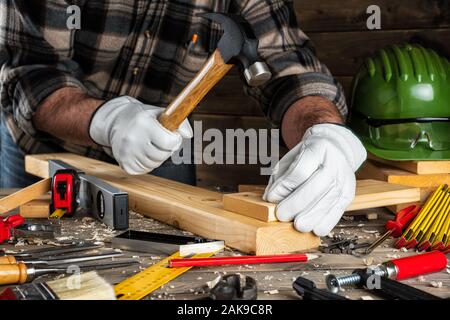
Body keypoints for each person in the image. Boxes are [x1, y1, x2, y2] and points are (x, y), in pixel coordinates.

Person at [0, 1, 366, 236]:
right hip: (43, 144)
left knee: (172, 246)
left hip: (162, 140)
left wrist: (324, 130)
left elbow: (288, 67)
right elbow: (32, 70)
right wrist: (106, 120)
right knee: (29, 239)